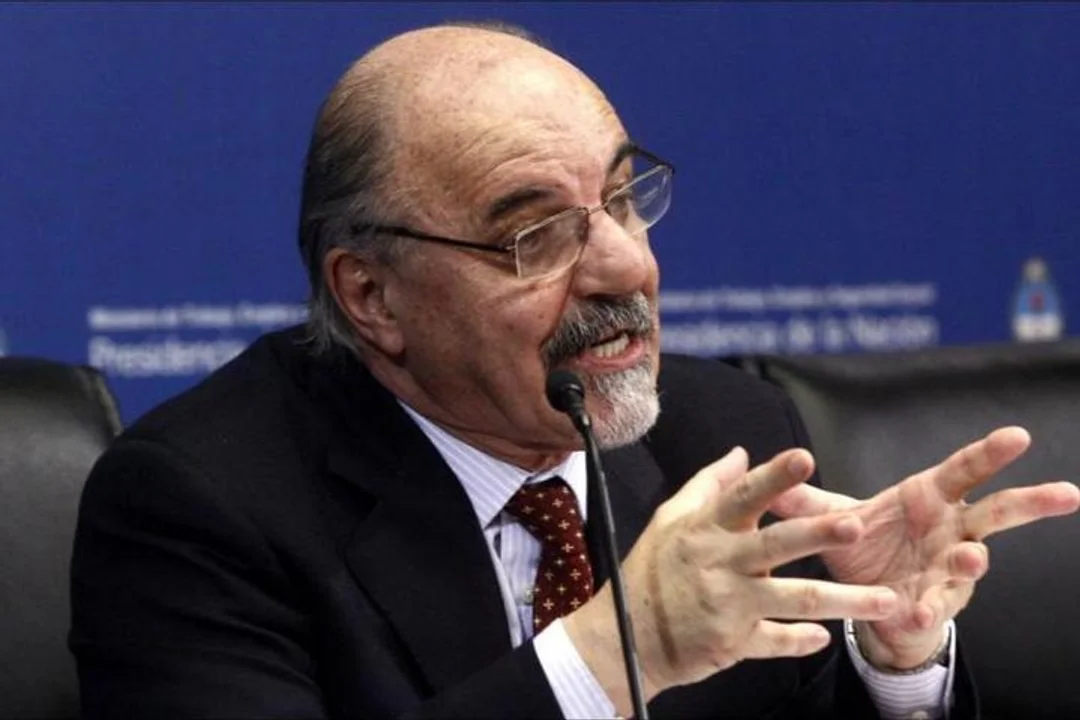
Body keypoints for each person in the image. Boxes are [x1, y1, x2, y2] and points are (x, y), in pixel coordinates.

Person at [69, 22, 1079, 720]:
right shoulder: (201, 507)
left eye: (624, 200)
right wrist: (613, 653)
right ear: (372, 296)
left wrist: (895, 658)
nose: (626, 266)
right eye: (536, 235)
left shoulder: (727, 436)